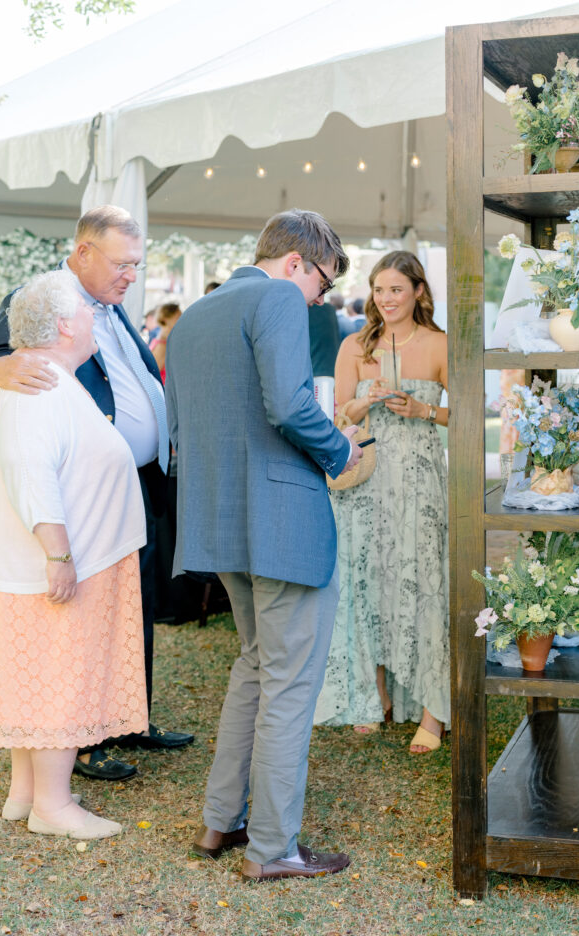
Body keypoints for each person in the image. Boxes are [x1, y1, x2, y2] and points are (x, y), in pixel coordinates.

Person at [0, 205, 194, 781]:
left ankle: (126, 718)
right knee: (82, 616)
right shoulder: (45, 300)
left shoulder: (112, 306)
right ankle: (82, 740)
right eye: (122, 263)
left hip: (134, 480)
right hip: (78, 489)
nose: (131, 275)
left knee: (128, 604)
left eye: (137, 264)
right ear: (84, 251)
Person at [165, 208, 362, 880]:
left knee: (254, 665)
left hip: (221, 519)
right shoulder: (278, 296)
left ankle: (222, 820)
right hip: (282, 519)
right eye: (323, 284)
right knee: (287, 681)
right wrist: (340, 451)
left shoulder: (196, 313)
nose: (320, 300)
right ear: (295, 263)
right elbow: (286, 403)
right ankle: (273, 847)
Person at [0, 272, 149, 839]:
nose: (95, 319)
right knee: (57, 682)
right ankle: (54, 805)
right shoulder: (39, 384)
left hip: (47, 563)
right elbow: (29, 469)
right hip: (52, 567)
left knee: (31, 678)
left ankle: (26, 791)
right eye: (86, 313)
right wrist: (58, 554)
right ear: (66, 324)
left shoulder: (47, 379)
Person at [314, 250, 450, 753]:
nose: (386, 299)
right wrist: (362, 402)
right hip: (366, 475)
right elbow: (336, 415)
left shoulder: (439, 344)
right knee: (365, 578)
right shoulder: (355, 345)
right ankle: (372, 693)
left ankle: (433, 709)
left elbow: (464, 415)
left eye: (396, 289)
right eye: (378, 290)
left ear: (417, 290)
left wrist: (423, 408)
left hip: (418, 478)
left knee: (420, 578)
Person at [149, 302, 181, 384]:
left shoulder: (164, 342)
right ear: (165, 319)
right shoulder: (162, 346)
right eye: (178, 317)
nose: (181, 320)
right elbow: (152, 377)